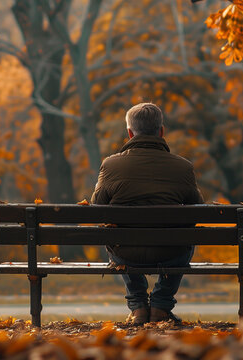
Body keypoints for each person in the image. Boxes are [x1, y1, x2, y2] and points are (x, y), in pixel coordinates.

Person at [90, 102, 204, 325]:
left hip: (125, 252)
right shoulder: (183, 167)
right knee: (186, 238)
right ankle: (161, 305)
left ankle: (139, 306)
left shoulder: (111, 165)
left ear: (130, 133)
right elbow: (196, 210)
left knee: (113, 235)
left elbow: (97, 209)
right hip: (171, 252)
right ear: (161, 131)